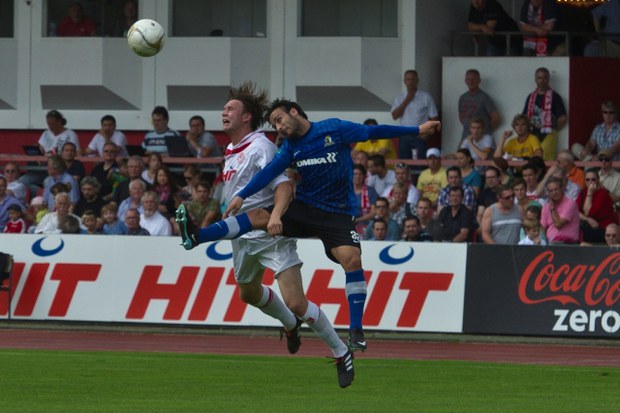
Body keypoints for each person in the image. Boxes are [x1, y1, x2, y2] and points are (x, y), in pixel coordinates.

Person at [178, 93, 440, 352]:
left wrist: (417, 129)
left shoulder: (333, 129)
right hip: (305, 208)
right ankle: (198, 236)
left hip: (337, 213)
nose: (279, 128)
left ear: (294, 111)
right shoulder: (290, 147)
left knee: (351, 260)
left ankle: (355, 330)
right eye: (274, 124)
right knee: (257, 217)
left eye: (279, 119)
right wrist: (242, 196)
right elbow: (269, 173)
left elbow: (374, 132)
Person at [176, 83, 354, 387]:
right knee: (248, 293)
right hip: (242, 237)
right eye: (224, 108)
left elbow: (284, 185)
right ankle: (289, 324)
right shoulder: (232, 150)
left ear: (246, 116)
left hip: (270, 234)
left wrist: (274, 216)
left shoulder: (261, 146)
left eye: (230, 109)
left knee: (296, 302)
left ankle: (341, 351)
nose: (223, 112)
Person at [391, 70, 439, 160]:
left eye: (413, 79)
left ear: (417, 80)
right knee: (404, 163)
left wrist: (428, 132)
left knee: (420, 163)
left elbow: (434, 117)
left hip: (420, 133)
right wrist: (407, 99)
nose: (410, 82)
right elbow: (395, 116)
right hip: (404, 134)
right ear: (404, 81)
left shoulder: (426, 97)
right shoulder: (399, 97)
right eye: (408, 79)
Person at [522, 67, 567, 161]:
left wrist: (551, 129)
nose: (542, 81)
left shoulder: (555, 97)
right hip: (533, 134)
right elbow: (525, 117)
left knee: (546, 161)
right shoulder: (530, 97)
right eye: (539, 78)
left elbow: (562, 118)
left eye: (545, 78)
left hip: (549, 134)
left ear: (548, 79)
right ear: (535, 79)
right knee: (531, 161)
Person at [458, 69, 500, 141]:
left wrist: (484, 132)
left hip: (481, 139)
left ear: (479, 81)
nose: (471, 82)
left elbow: (496, 118)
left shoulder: (484, 97)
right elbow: (461, 117)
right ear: (465, 81)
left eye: (474, 79)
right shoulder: (462, 98)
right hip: (466, 137)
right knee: (459, 149)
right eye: (468, 79)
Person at [577, 168, 616, 244]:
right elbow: (576, 212)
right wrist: (587, 219)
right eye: (587, 180)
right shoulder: (582, 193)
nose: (590, 182)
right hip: (589, 225)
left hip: (603, 228)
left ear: (598, 180)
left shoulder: (603, 194)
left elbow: (588, 212)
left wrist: (589, 194)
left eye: (593, 179)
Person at [540, 176, 580, 245]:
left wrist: (552, 208)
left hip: (568, 243)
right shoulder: (546, 207)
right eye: (551, 191)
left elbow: (558, 224)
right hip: (551, 242)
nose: (554, 192)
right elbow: (542, 228)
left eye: (556, 189)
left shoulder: (570, 204)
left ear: (562, 189)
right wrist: (541, 240)